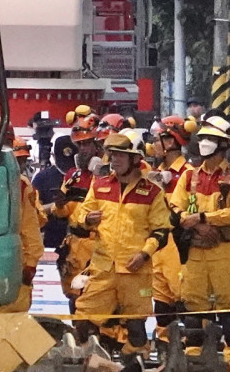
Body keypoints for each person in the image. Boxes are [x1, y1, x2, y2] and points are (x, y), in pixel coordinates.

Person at [69, 131, 172, 357]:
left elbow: (161, 231)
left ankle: (136, 366)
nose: (115, 159)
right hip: (102, 268)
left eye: (121, 155)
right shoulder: (100, 186)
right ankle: (88, 365)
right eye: (112, 154)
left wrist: (144, 254)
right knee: (84, 319)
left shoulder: (152, 193)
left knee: (136, 326)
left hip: (136, 270)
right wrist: (86, 220)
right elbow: (78, 219)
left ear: (136, 159)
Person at [168, 116, 230, 372]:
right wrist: (192, 222)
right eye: (203, 138)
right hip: (195, 252)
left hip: (225, 253)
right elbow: (175, 208)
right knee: (193, 312)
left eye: (212, 139)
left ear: (224, 144)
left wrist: (203, 219)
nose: (205, 143)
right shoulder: (189, 176)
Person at [51, 107, 102, 307]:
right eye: (80, 145)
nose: (83, 149)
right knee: (74, 297)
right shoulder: (73, 174)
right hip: (74, 245)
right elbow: (62, 211)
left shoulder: (110, 175)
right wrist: (59, 203)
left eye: (87, 144)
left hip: (98, 244)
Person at [149, 116, 191, 354]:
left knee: (185, 302)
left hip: (178, 244)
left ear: (171, 142)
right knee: (162, 306)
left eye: (159, 140)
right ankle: (166, 354)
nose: (154, 145)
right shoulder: (156, 172)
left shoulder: (188, 173)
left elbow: (189, 209)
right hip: (159, 246)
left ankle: (191, 354)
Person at [0, 138, 46, 313]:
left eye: (23, 160)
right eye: (18, 160)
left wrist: (30, 265)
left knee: (13, 313)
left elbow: (33, 227)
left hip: (16, 260)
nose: (21, 165)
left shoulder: (23, 186)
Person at [34, 135, 75, 250]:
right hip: (52, 238)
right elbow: (33, 211)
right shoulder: (42, 178)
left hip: (78, 238)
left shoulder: (83, 176)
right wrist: (55, 205)